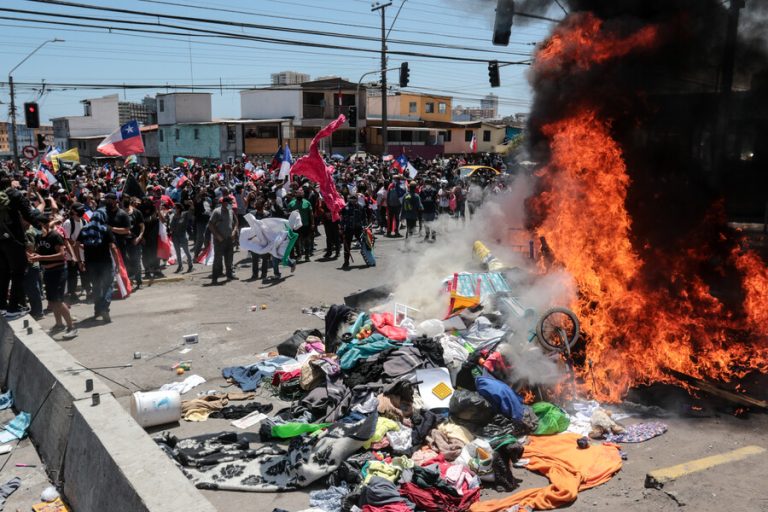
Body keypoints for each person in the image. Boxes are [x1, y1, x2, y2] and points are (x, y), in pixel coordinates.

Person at [0, 171, 43, 319]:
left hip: (0, 239)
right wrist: (40, 227)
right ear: (9, 181)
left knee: (3, 272)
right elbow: (28, 214)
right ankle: (13, 308)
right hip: (14, 239)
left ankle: (2, 306)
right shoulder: (14, 194)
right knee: (19, 271)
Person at [29, 214, 77, 339]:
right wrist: (33, 255)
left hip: (59, 271)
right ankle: (59, 324)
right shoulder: (39, 237)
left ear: (44, 224)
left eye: (38, 225)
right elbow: (40, 252)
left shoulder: (55, 236)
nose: (36, 228)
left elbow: (61, 255)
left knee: (58, 301)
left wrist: (41, 257)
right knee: (52, 300)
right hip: (48, 272)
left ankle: (72, 327)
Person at [78, 209, 118, 323]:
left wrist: (80, 260)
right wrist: (118, 263)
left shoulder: (84, 229)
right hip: (105, 263)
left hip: (90, 264)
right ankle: (104, 307)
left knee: (96, 286)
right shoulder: (105, 229)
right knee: (108, 285)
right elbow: (113, 247)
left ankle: (97, 310)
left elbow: (76, 244)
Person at [207, 194, 238, 284]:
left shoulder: (231, 211)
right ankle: (215, 278)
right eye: (230, 203)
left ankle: (229, 275)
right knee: (217, 260)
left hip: (229, 239)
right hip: (219, 240)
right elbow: (210, 225)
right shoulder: (217, 212)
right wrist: (218, 236)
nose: (231, 205)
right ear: (224, 203)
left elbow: (236, 222)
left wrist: (234, 231)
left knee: (229, 259)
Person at [62, 202, 90, 301]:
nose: (82, 212)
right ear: (73, 211)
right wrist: (78, 245)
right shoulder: (68, 223)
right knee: (73, 276)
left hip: (83, 254)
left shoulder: (84, 221)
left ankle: (88, 292)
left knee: (85, 274)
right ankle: (72, 294)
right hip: (72, 256)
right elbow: (66, 239)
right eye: (79, 210)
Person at [339, 189, 365, 270]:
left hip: (358, 228)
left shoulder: (360, 207)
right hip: (348, 229)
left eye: (355, 199)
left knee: (364, 243)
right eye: (352, 199)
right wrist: (341, 228)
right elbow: (342, 219)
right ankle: (346, 261)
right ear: (349, 199)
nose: (353, 201)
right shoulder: (345, 208)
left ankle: (369, 258)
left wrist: (365, 227)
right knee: (347, 246)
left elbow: (364, 218)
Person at [287, 188, 314, 261]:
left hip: (305, 225)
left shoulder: (307, 203)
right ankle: (299, 254)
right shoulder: (291, 203)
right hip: (295, 226)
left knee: (306, 240)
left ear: (303, 195)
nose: (299, 196)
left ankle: (307, 255)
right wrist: (292, 212)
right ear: (295, 195)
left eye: (301, 195)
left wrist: (312, 223)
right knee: (296, 241)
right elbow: (287, 213)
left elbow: (311, 214)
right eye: (298, 194)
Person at [124, 197, 145, 288]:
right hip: (125, 242)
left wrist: (139, 238)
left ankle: (139, 281)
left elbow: (142, 226)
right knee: (127, 262)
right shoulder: (121, 213)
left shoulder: (137, 213)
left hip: (135, 241)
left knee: (136, 261)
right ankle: (130, 281)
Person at [169, 202, 194, 273]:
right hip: (175, 236)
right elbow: (171, 226)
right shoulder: (174, 216)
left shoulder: (185, 214)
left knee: (186, 251)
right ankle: (180, 266)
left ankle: (190, 265)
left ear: (179, 209)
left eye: (175, 208)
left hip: (183, 235)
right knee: (177, 252)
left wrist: (191, 205)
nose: (174, 209)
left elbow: (191, 212)